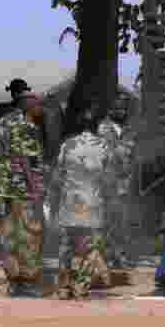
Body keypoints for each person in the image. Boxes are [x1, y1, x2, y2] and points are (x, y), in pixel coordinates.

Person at [54, 107, 112, 300]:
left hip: (70, 202)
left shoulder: (67, 145)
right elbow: (109, 176)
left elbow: (59, 173)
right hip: (92, 203)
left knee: (66, 247)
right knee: (91, 248)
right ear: (96, 126)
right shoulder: (103, 146)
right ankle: (80, 286)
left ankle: (63, 287)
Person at [0, 93, 46, 298]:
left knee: (10, 234)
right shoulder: (26, 127)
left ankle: (14, 280)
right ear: (30, 107)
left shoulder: (6, 122)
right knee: (29, 234)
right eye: (40, 105)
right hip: (23, 189)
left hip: (8, 187)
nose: (43, 110)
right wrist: (34, 189)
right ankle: (27, 281)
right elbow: (24, 159)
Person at [98, 94, 135, 269]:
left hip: (125, 183)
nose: (122, 112)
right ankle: (108, 257)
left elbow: (133, 153)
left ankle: (119, 256)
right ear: (110, 110)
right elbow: (109, 155)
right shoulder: (104, 129)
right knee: (109, 222)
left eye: (124, 109)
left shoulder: (128, 128)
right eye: (118, 108)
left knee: (123, 222)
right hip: (110, 182)